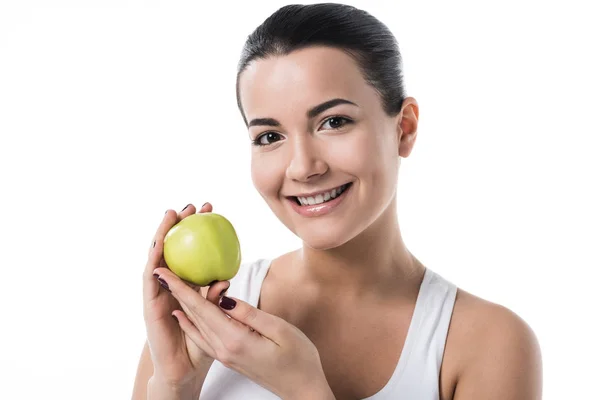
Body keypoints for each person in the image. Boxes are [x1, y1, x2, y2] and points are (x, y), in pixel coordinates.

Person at [132, 3, 542, 399]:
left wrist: (305, 390)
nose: (302, 167)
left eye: (333, 122)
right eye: (270, 137)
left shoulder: (488, 343)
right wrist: (174, 385)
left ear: (405, 128)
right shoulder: (199, 318)